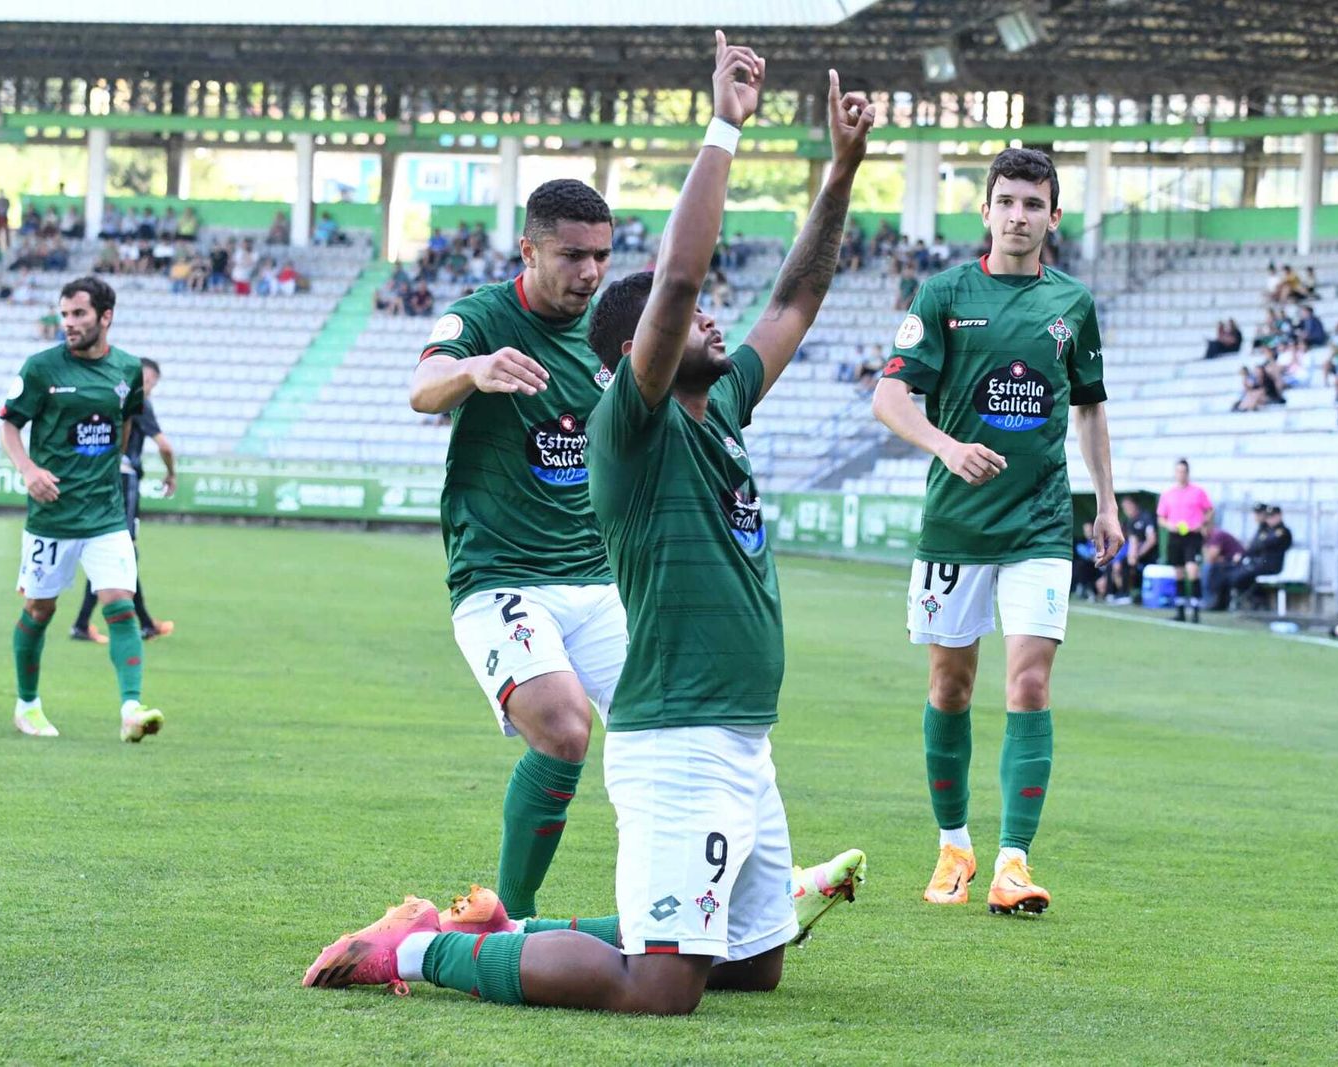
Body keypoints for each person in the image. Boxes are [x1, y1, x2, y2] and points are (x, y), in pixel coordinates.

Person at [306, 36, 869, 1016]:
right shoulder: (633, 425)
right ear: (634, 351)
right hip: (677, 727)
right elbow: (679, 282)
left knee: (754, 963)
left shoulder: (722, 405)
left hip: (739, 730)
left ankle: (531, 924)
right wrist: (725, 124)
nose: (711, 323)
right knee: (657, 990)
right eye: (685, 320)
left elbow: (796, 294)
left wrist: (839, 175)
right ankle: (422, 951)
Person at [871, 145, 1121, 915]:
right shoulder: (945, 293)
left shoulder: (1072, 305)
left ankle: (1015, 861)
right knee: (951, 685)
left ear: (1053, 214)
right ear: (986, 210)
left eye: (1033, 203)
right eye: (1006, 201)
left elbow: (1089, 406)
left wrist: (1105, 503)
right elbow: (890, 396)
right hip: (955, 526)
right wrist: (947, 445)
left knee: (1030, 681)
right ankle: (954, 844)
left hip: (1041, 522)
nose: (1019, 215)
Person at [399, 176, 628, 922]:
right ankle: (515, 914)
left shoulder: (610, 333)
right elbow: (423, 385)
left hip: (597, 580)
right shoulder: (482, 315)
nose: (589, 273)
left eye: (601, 255)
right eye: (571, 256)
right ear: (528, 249)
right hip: (501, 576)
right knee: (563, 728)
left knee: (677, 721)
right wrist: (473, 370)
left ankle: (696, 894)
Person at [0, 276, 164, 742]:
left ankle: (131, 709)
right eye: (65, 314)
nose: (68, 323)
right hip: (52, 518)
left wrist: (108, 473)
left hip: (106, 515)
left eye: (79, 315)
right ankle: (26, 705)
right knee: (40, 608)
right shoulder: (41, 369)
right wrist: (29, 470)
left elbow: (125, 425)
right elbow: (9, 427)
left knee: (120, 604)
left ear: (105, 317)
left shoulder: (128, 370)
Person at [70, 357, 177, 645]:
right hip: (123, 478)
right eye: (146, 379)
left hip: (101, 477)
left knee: (117, 551)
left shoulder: (110, 397)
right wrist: (171, 474)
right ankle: (131, 624)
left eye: (152, 382)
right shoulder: (138, 402)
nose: (148, 386)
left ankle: (140, 623)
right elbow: (165, 446)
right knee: (118, 551)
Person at [1156, 459, 1213, 623]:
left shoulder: (1198, 492)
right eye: (1178, 471)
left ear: (1188, 473)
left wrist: (1200, 523)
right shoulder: (1168, 494)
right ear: (1175, 473)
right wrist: (1170, 525)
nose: (1181, 474)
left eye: (1184, 471)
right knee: (1178, 572)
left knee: (1193, 570)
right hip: (1175, 536)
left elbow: (1209, 511)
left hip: (1192, 536)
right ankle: (1180, 610)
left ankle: (1195, 610)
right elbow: (1161, 518)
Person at [1208, 504, 1292, 610]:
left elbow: (1264, 544)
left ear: (1279, 516)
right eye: (1268, 516)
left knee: (1239, 576)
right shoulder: (1264, 530)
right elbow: (1254, 547)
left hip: (1269, 565)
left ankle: (1257, 600)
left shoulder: (1282, 532)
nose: (1270, 519)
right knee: (1222, 569)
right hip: (1257, 563)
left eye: (1272, 516)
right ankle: (1220, 602)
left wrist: (1259, 543)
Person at [1199, 515, 1245, 611]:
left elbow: (1210, 558)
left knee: (1207, 568)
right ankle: (1212, 600)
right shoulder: (1208, 537)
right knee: (1208, 567)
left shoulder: (1217, 535)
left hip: (1238, 564)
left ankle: (1209, 600)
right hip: (1226, 564)